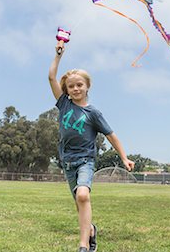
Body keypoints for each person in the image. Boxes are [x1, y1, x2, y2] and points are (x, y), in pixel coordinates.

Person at [49, 39, 135, 252]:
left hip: (86, 160)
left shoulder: (93, 113)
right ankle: (91, 231)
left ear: (87, 86)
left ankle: (84, 245)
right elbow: (51, 76)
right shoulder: (64, 104)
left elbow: (111, 135)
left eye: (80, 84)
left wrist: (124, 157)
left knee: (83, 195)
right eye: (71, 86)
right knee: (80, 203)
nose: (76, 88)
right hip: (67, 161)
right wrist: (58, 55)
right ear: (66, 90)